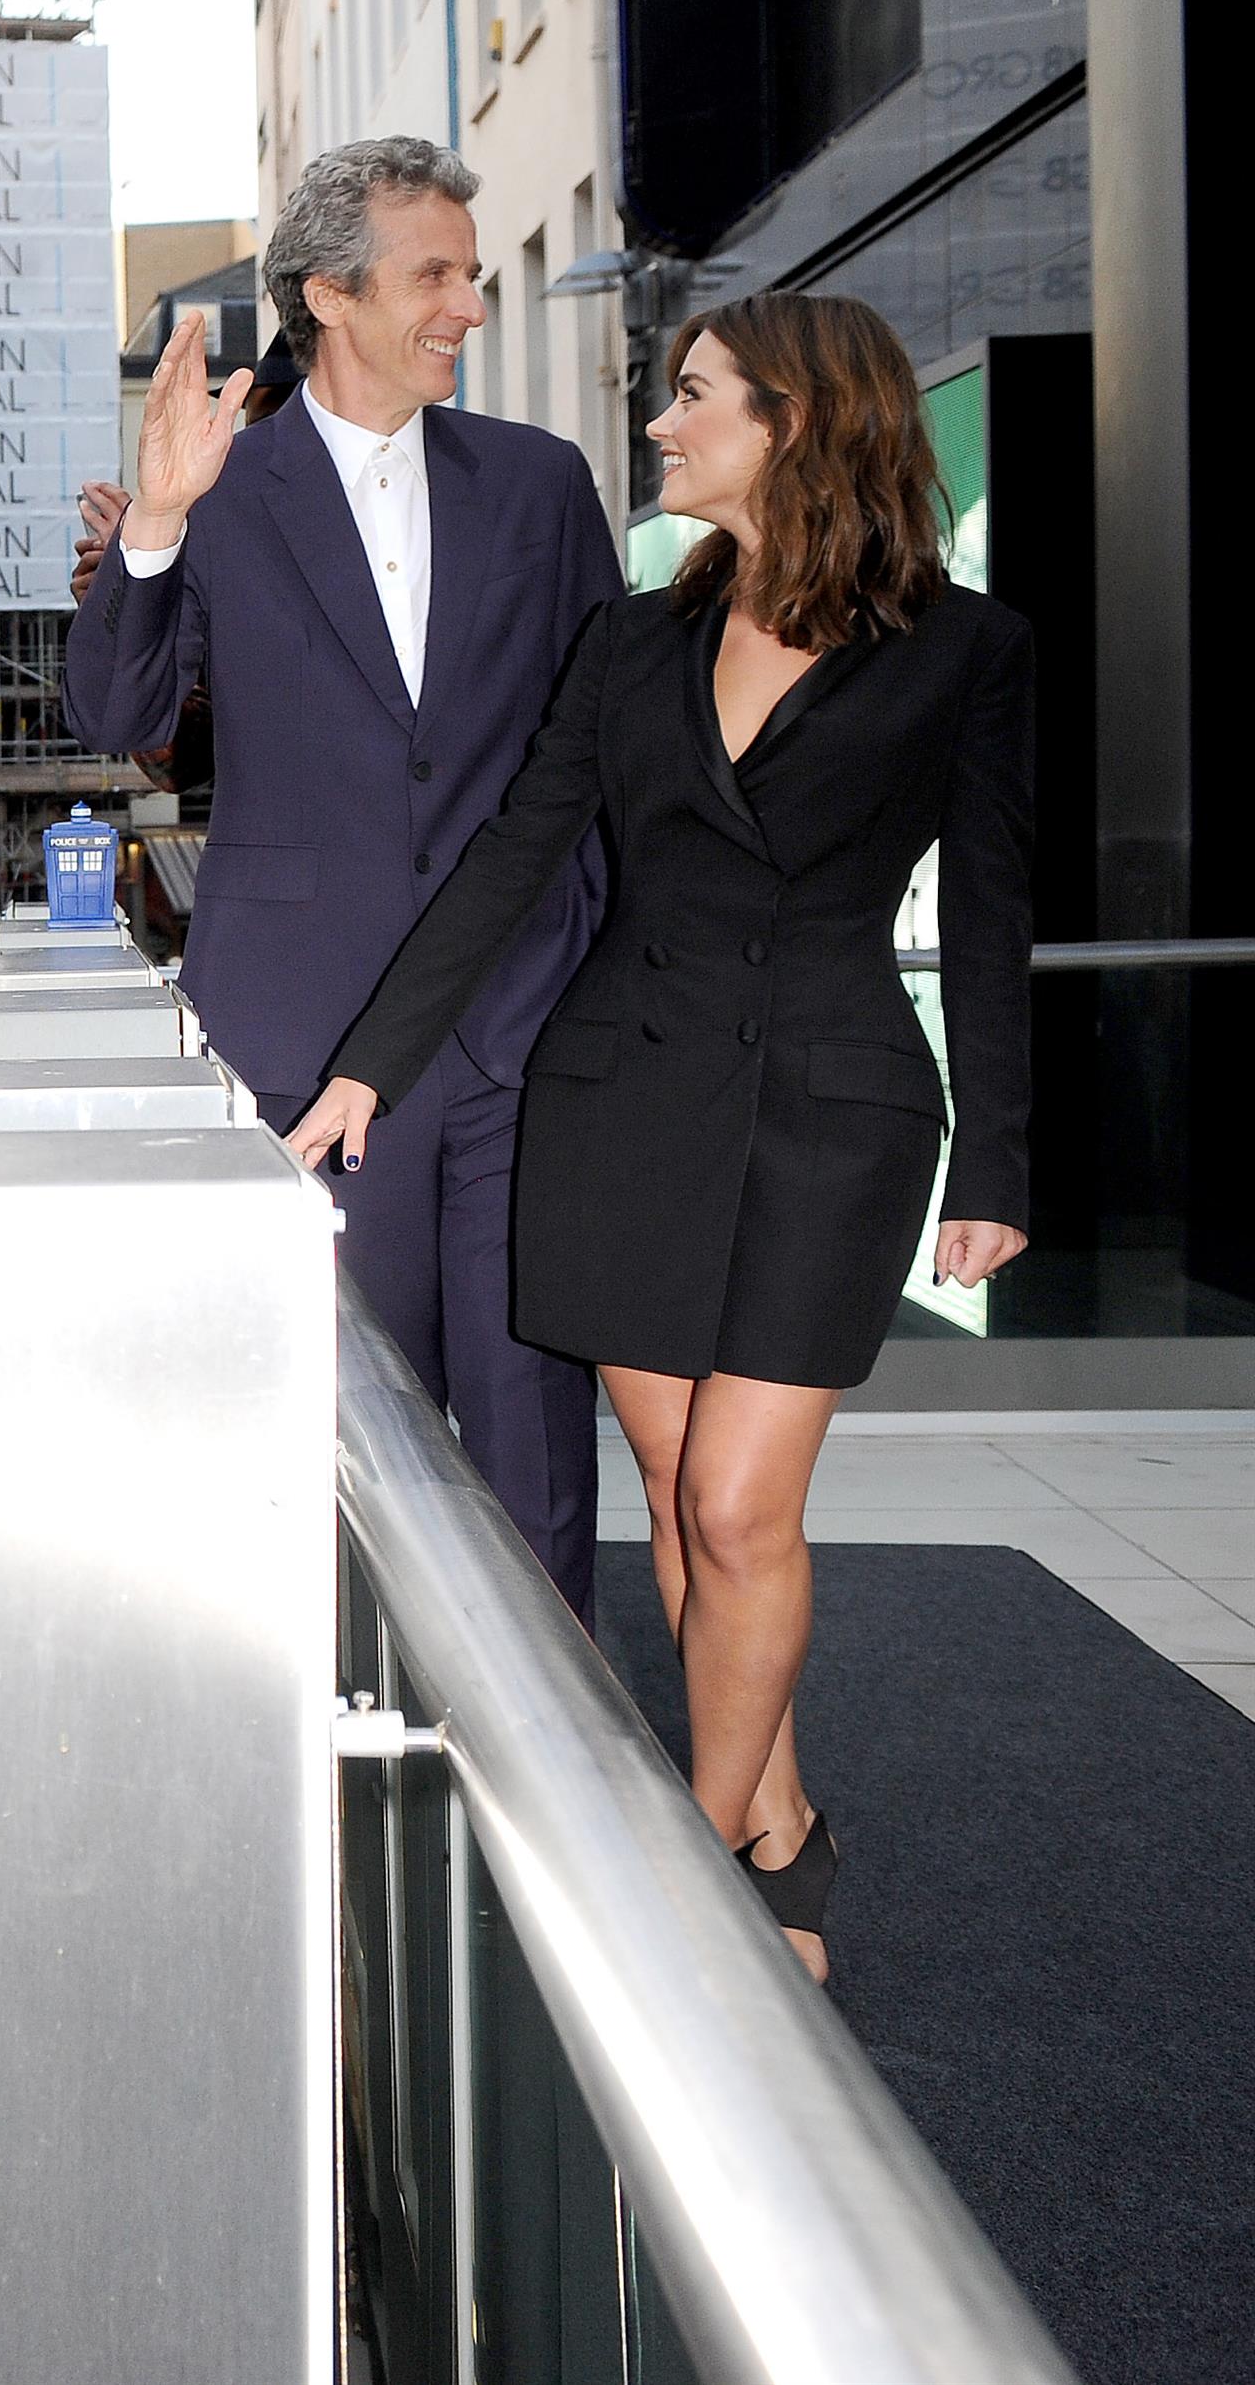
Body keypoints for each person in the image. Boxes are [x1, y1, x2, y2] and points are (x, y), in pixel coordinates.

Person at [287, 291, 1034, 1979]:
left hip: (836, 1113)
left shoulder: (969, 650)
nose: (661, 425)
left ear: (797, 420)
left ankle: (689, 1882)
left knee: (742, 1505)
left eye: (692, 395)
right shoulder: (631, 643)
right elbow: (513, 855)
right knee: (678, 1498)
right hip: (624, 1101)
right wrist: (370, 1069)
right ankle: (780, 1823)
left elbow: (992, 910)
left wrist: (1000, 1159)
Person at [64, 135, 619, 1619]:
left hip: (518, 1037)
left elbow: (599, 761)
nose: (471, 306)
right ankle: (324, 1795)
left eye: (474, 272)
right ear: (332, 292)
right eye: (437, 274)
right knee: (312, 1453)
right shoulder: (219, 493)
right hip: (300, 1049)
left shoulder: (543, 485)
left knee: (533, 1466)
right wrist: (162, 522)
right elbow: (116, 723)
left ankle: (538, 1828)